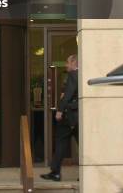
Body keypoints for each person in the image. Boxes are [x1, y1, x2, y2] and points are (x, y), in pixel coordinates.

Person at [41, 54, 79, 182]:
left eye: (68, 62)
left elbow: (67, 95)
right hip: (79, 117)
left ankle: (55, 173)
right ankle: (57, 172)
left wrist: (60, 110)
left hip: (70, 116)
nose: (67, 65)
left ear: (74, 63)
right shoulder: (83, 75)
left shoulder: (73, 75)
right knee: (83, 146)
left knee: (61, 141)